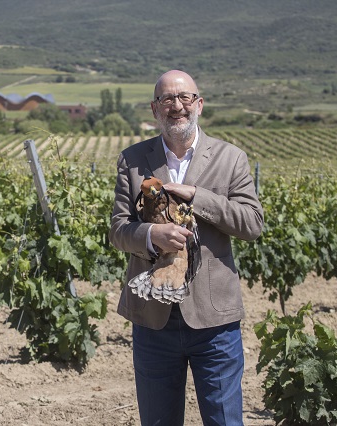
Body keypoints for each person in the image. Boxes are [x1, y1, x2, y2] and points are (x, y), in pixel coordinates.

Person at [109, 70, 264, 425]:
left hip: (214, 320)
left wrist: (199, 197)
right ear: (154, 108)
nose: (176, 106)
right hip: (153, 321)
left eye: (184, 98)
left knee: (224, 420)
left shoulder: (230, 158)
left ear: (199, 104)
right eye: (166, 99)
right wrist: (151, 235)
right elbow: (119, 230)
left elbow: (252, 224)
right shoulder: (132, 160)